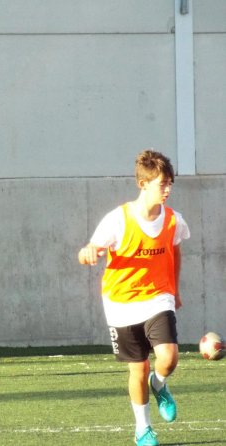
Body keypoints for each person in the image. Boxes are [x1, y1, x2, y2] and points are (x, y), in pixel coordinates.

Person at [78, 150, 190, 446]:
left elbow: (175, 251)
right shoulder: (118, 219)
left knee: (168, 357)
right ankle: (143, 428)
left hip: (158, 298)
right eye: (162, 184)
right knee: (137, 369)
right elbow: (88, 249)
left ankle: (160, 384)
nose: (167, 190)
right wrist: (88, 252)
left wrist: (174, 289)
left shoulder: (173, 220)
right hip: (120, 304)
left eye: (170, 184)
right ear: (143, 184)